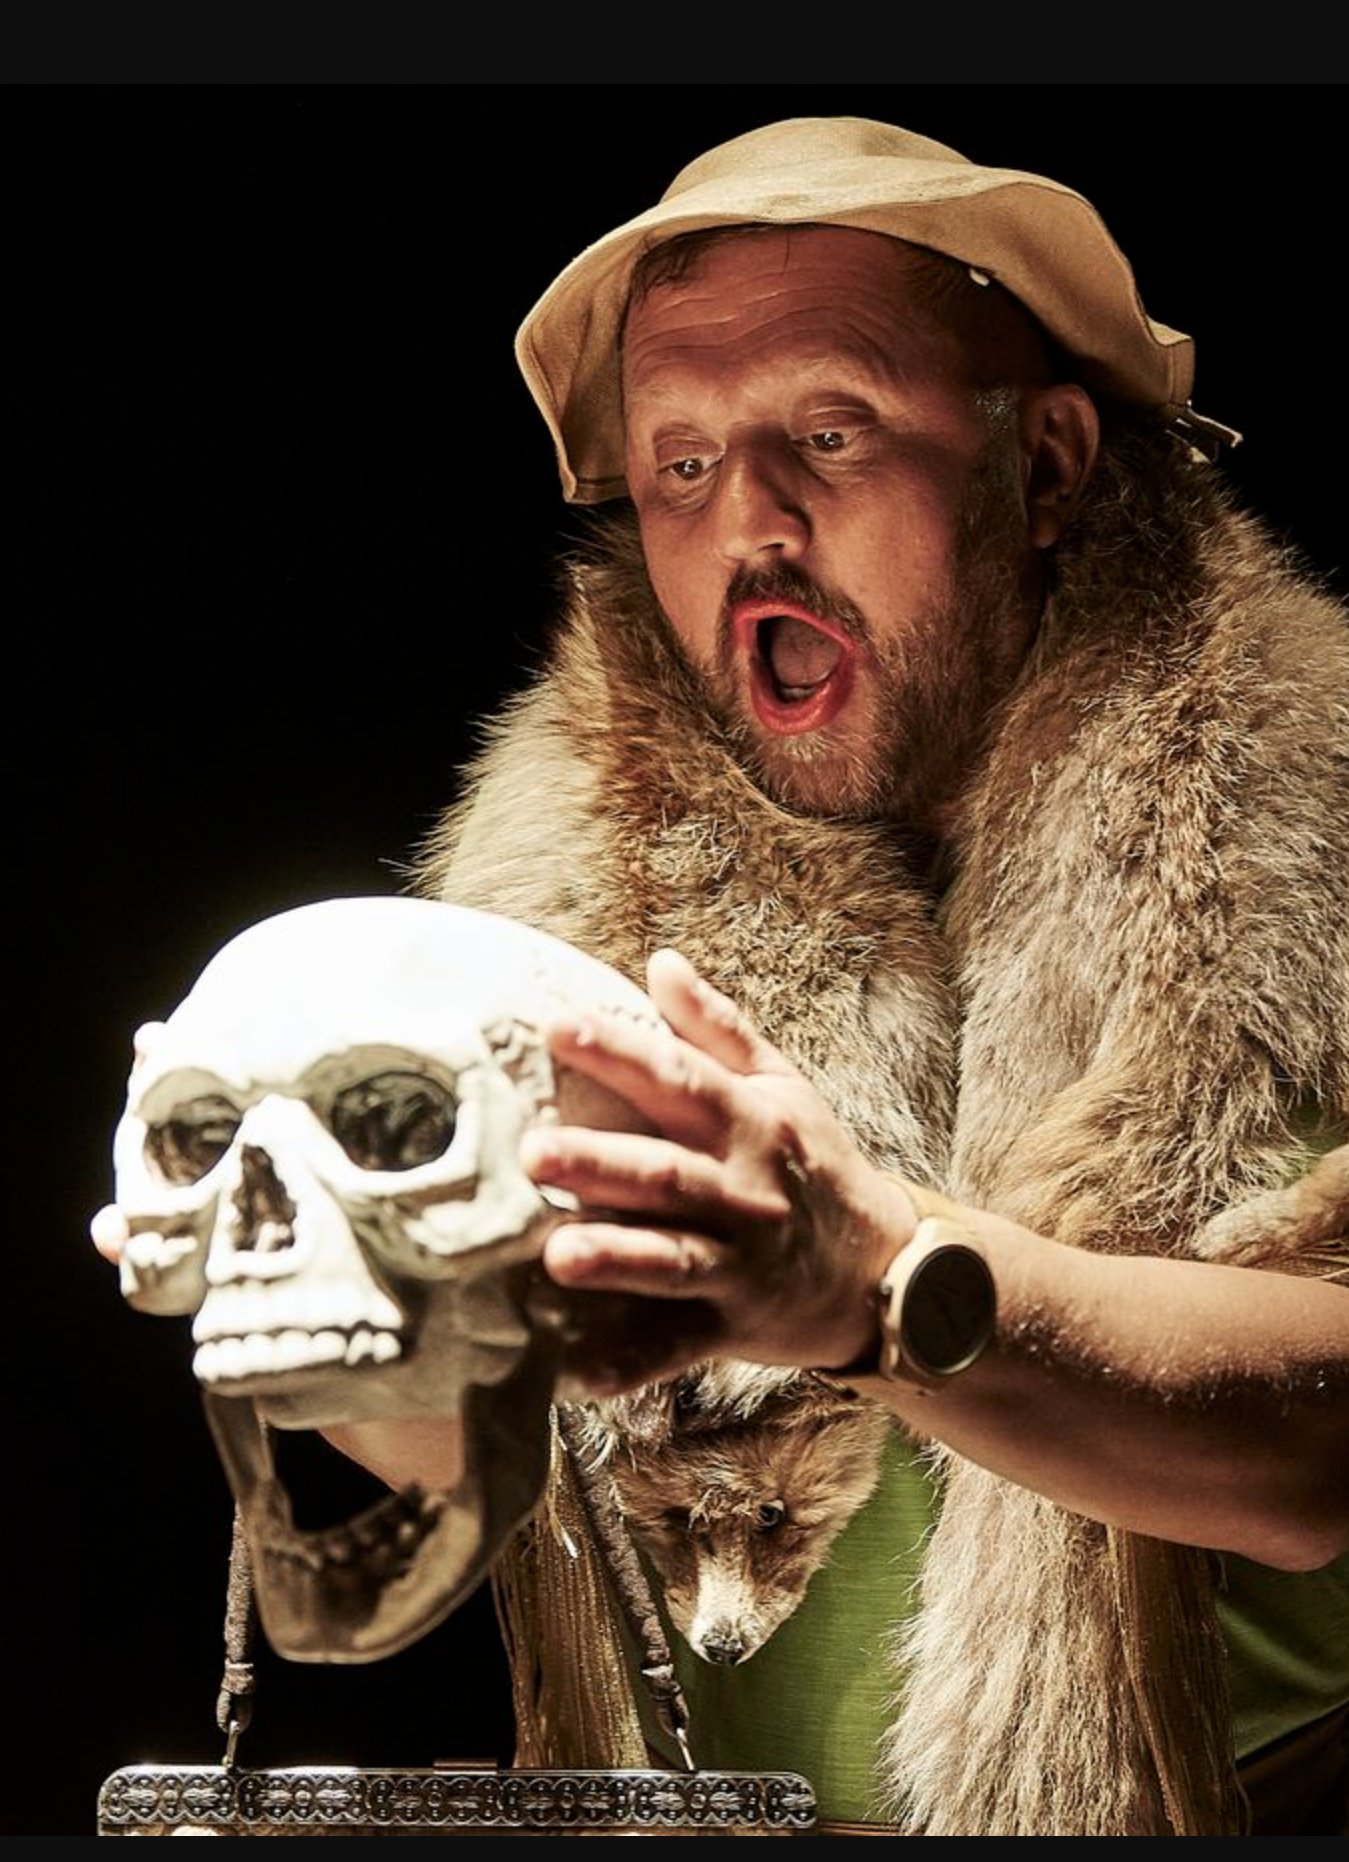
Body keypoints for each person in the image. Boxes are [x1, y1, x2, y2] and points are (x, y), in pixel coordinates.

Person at [98, 116, 1349, 1835]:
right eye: (679, 462)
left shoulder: (1309, 829)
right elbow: (505, 1455)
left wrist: (878, 1278)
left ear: (1046, 464)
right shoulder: (545, 907)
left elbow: (1320, 1447)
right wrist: (331, 1317)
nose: (749, 519)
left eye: (830, 431)